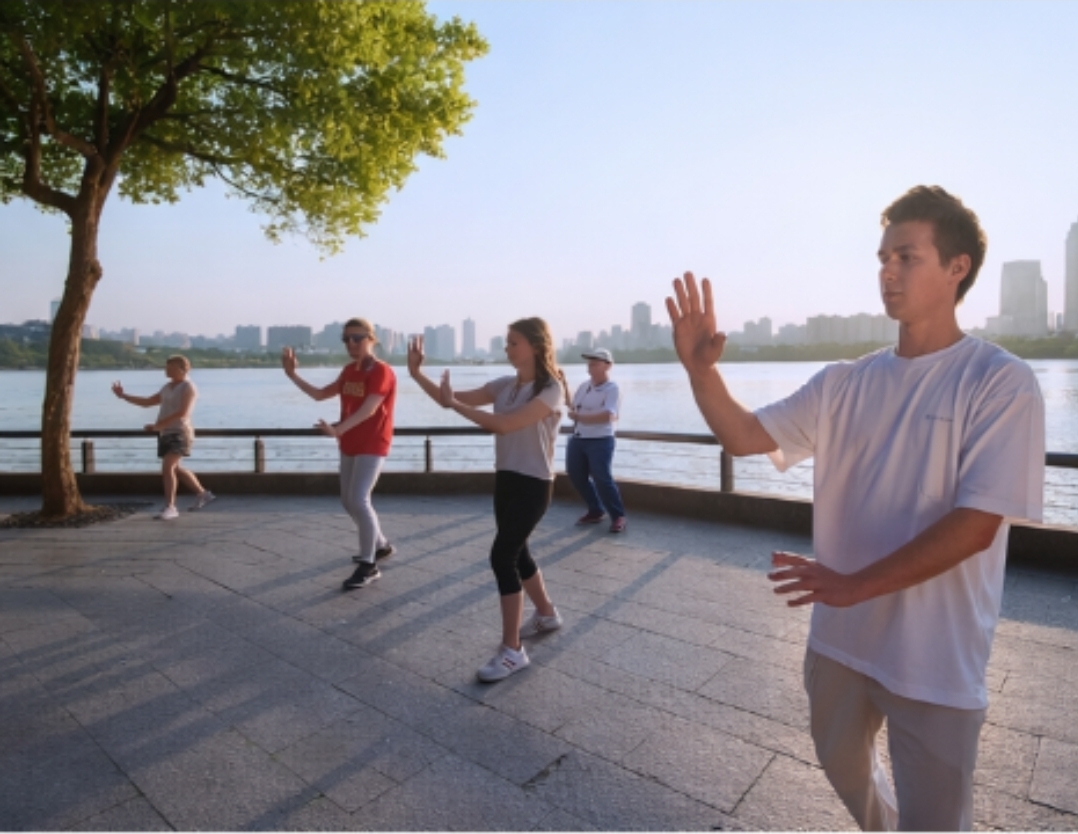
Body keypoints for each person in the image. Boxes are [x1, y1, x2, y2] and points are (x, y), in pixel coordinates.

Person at [665, 186, 1044, 831]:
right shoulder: (844, 382)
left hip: (936, 658)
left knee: (937, 821)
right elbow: (743, 435)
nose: (887, 271)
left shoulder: (999, 380)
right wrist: (701, 374)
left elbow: (978, 524)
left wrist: (853, 584)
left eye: (907, 256)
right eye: (882, 257)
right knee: (842, 767)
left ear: (958, 269)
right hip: (841, 642)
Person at [408, 317, 568, 683]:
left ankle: (512, 651)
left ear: (536, 346)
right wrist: (418, 375)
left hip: (534, 484)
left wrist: (456, 406)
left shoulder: (551, 390)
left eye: (514, 343)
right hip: (507, 479)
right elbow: (452, 399)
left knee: (502, 556)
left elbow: (505, 425)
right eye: (507, 343)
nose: (508, 349)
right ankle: (546, 613)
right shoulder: (505, 385)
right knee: (518, 552)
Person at [281, 318, 397, 591]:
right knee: (347, 500)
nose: (351, 344)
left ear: (371, 338)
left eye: (357, 338)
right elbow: (321, 394)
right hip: (348, 442)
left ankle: (369, 565)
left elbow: (370, 409)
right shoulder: (348, 371)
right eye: (346, 339)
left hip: (373, 443)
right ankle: (380, 545)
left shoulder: (381, 371)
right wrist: (292, 375)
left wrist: (338, 429)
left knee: (359, 499)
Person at [111, 354, 215, 520]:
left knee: (167, 467)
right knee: (175, 468)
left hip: (181, 432)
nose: (166, 370)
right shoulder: (167, 387)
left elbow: (183, 412)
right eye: (166, 367)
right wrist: (123, 396)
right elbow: (147, 402)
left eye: (170, 367)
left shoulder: (188, 387)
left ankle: (170, 507)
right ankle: (203, 494)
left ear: (182, 369)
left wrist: (158, 425)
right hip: (166, 433)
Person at [566, 348, 627, 533]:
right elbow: (573, 406)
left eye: (595, 363)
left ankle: (618, 516)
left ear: (608, 366)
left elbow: (609, 415)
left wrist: (580, 417)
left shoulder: (612, 388)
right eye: (589, 363)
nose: (590, 366)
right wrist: (562, 387)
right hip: (578, 438)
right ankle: (596, 509)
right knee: (576, 474)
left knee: (602, 477)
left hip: (600, 440)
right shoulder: (584, 386)